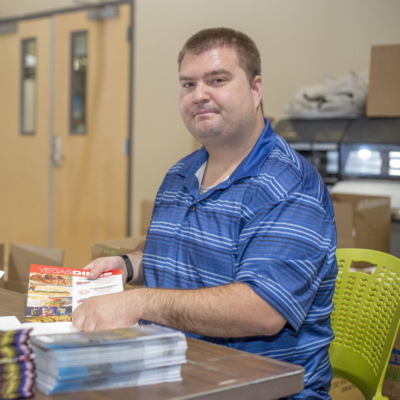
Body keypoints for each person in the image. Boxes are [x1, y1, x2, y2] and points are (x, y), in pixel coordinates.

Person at [72, 27, 338, 399]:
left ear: (256, 89)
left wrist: (136, 300)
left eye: (217, 80)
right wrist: (129, 263)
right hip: (177, 372)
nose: (199, 95)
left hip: (260, 389)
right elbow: (183, 249)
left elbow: (261, 309)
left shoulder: (289, 185)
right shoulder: (182, 173)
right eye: (187, 84)